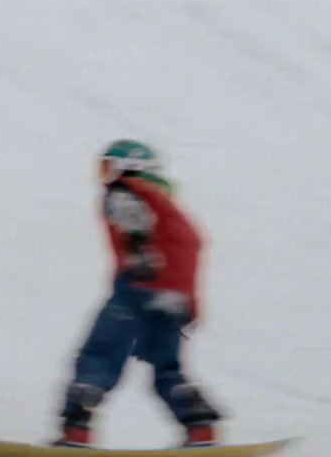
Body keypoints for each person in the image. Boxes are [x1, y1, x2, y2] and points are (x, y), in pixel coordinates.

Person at [53, 139, 223, 448]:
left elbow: (134, 222)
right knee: (167, 366)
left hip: (139, 287)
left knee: (100, 354)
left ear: (130, 167)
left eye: (109, 166)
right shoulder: (164, 200)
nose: (105, 175)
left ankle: (77, 427)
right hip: (174, 298)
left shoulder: (125, 190)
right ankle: (200, 426)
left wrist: (141, 255)